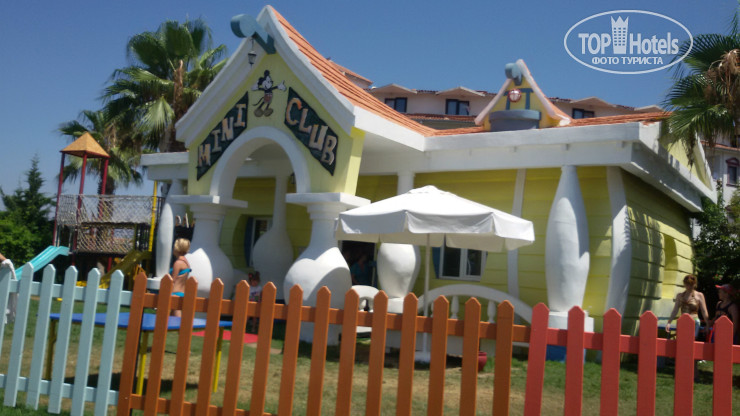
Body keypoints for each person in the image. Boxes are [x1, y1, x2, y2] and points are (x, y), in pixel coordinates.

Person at [665, 274, 710, 339]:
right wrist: (669, 322)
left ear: (694, 284)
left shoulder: (699, 295)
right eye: (687, 284)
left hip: (694, 321)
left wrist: (707, 324)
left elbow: (704, 311)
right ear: (684, 284)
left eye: (691, 284)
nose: (689, 286)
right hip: (682, 321)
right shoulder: (680, 296)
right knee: (681, 339)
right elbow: (675, 310)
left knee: (691, 340)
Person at [170, 238, 192, 317]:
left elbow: (172, 280)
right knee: (171, 319)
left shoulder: (178, 263)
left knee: (177, 318)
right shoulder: (186, 262)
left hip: (175, 293)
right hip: (181, 292)